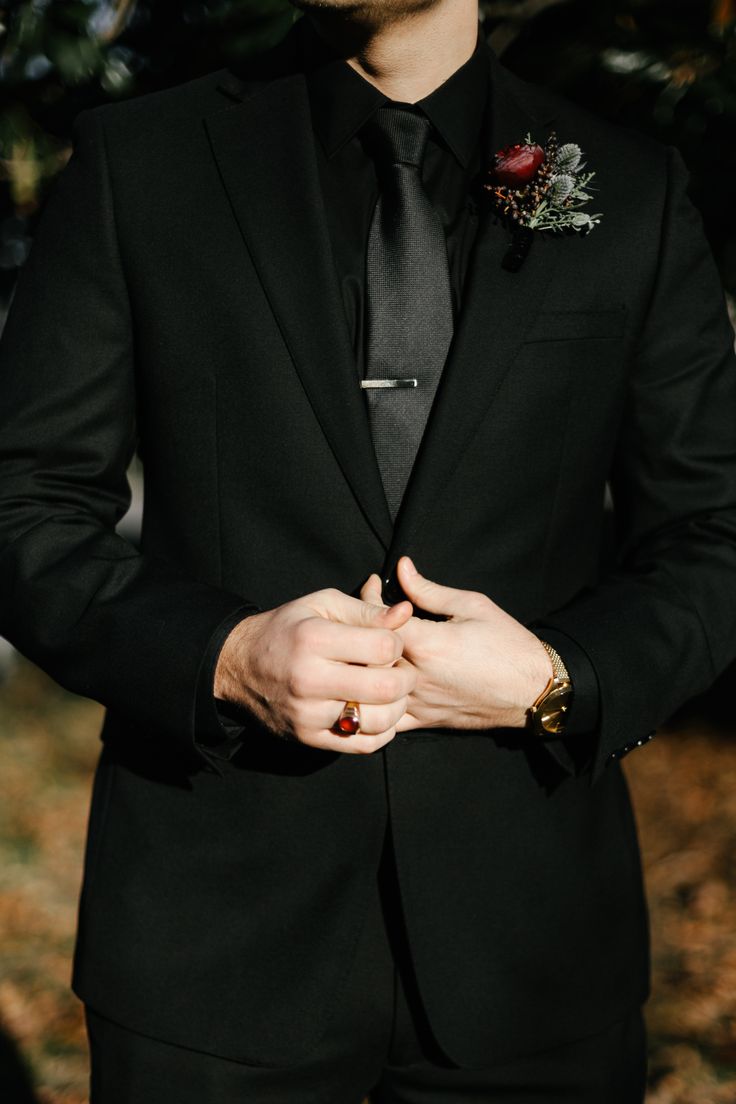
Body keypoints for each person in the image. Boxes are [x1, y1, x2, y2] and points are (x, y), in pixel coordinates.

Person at [1, 0, 735, 1098]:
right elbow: (27, 502)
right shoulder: (141, 161)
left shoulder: (627, 187)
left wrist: (559, 678)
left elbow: (713, 534)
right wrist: (223, 654)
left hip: (531, 960)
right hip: (211, 957)